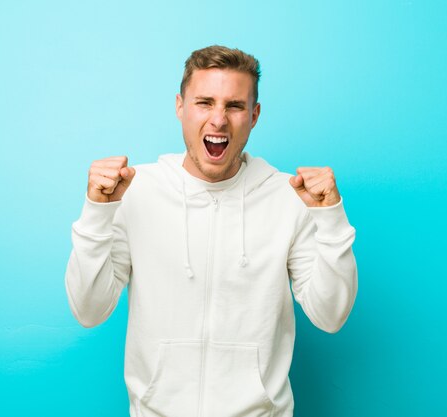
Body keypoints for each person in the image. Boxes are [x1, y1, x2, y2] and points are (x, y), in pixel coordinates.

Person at [65, 45, 357, 417]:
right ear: (180, 107)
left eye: (234, 106)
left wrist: (330, 218)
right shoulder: (135, 191)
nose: (218, 120)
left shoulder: (288, 198)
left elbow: (330, 315)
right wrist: (97, 213)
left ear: (254, 116)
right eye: (204, 102)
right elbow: (89, 311)